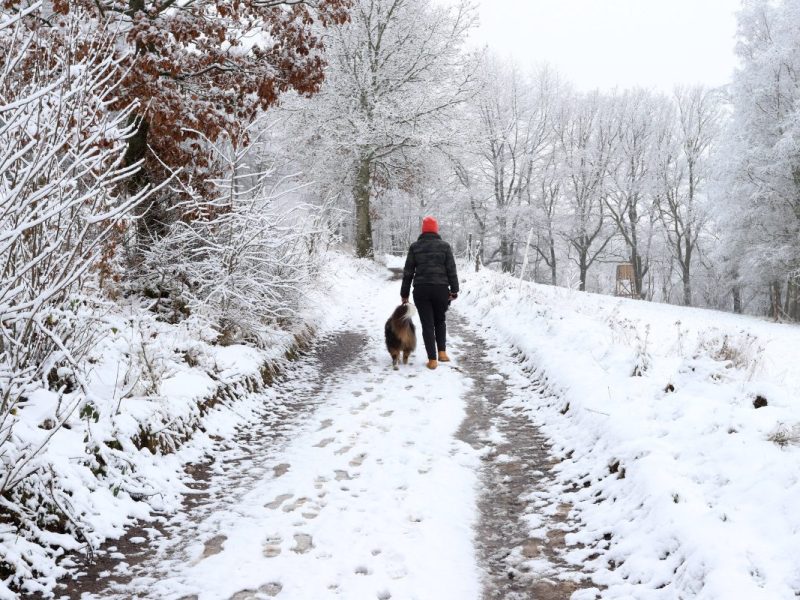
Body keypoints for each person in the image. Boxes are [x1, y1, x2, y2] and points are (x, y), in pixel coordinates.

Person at [400, 216, 459, 370]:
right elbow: (451, 270)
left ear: (423, 230)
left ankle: (432, 360)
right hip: (441, 289)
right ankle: (442, 353)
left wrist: (404, 293)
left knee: (427, 324)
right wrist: (454, 290)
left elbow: (408, 272)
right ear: (436, 229)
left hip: (421, 290)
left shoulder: (415, 247)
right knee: (440, 321)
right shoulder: (445, 247)